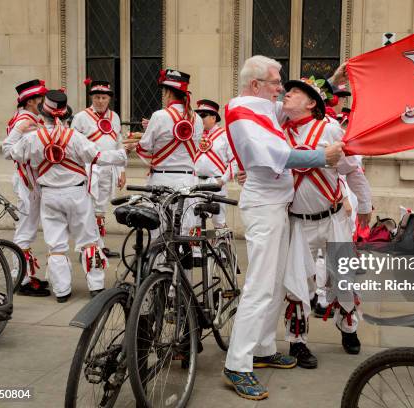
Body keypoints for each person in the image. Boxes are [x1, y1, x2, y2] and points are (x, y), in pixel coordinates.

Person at [221, 55, 344, 400]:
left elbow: (298, 109)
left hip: (277, 205)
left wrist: (331, 84)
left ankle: (260, 350)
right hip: (264, 207)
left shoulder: (260, 106)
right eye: (277, 83)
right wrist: (324, 157)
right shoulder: (244, 110)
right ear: (257, 84)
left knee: (274, 286)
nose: (282, 89)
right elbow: (278, 153)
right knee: (260, 287)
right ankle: (237, 363)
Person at [280, 76, 373, 369]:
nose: (287, 94)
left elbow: (353, 170)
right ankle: (298, 343)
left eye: (296, 92)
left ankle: (348, 329)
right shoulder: (277, 134)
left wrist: (366, 205)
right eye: (289, 90)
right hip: (297, 222)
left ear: (311, 103)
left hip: (333, 218)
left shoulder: (330, 129)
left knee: (342, 278)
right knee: (298, 284)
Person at [6, 90, 127, 302]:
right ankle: (96, 287)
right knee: (89, 241)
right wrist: (123, 153)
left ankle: (62, 291)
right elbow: (99, 157)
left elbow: (9, 151)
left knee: (56, 245)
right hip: (77, 194)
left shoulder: (33, 138)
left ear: (44, 114)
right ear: (65, 115)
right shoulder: (75, 137)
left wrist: (18, 129)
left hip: (50, 197)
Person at [127, 68, 203, 281]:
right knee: (184, 235)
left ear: (168, 93)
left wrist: (138, 143)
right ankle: (182, 285)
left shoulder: (160, 116)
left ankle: (161, 281)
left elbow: (147, 146)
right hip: (188, 181)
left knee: (159, 233)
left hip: (162, 179)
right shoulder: (195, 118)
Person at [2, 79, 51, 296]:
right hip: (27, 180)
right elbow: (7, 150)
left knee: (28, 229)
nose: (42, 101)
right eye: (40, 98)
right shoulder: (24, 120)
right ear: (31, 101)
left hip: (32, 180)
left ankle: (26, 275)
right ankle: (20, 278)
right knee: (25, 230)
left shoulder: (32, 118)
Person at [71, 79, 125, 258]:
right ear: (92, 98)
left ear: (109, 99)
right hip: (89, 169)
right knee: (88, 208)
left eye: (103, 97)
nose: (100, 101)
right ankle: (87, 247)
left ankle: (99, 245)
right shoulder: (81, 117)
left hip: (108, 169)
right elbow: (72, 145)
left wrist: (122, 170)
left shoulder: (115, 117)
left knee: (101, 208)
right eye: (97, 97)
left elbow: (119, 143)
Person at [193, 99, 236, 227]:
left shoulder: (225, 135)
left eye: (203, 115)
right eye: (198, 116)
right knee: (194, 223)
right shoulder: (195, 135)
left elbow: (234, 161)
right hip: (196, 183)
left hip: (216, 183)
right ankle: (196, 247)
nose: (200, 119)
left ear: (213, 117)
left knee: (219, 222)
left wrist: (222, 180)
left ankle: (222, 246)